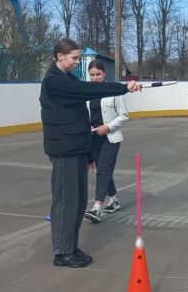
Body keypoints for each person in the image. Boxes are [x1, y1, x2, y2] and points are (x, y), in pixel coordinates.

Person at [40, 38, 141, 268]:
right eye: (74, 58)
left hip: (77, 148)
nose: (77, 62)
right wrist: (124, 86)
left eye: (78, 57)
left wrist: (88, 154)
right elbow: (88, 90)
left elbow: (80, 116)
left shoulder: (68, 78)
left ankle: (71, 246)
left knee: (77, 202)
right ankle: (62, 252)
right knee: (66, 201)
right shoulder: (54, 82)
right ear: (59, 56)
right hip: (63, 150)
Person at [84, 60, 129, 224]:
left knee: (103, 169)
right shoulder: (86, 92)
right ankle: (114, 200)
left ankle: (96, 208)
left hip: (111, 138)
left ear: (104, 74)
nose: (95, 78)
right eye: (92, 75)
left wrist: (108, 127)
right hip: (93, 138)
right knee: (103, 170)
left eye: (98, 74)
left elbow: (124, 115)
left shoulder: (113, 91)